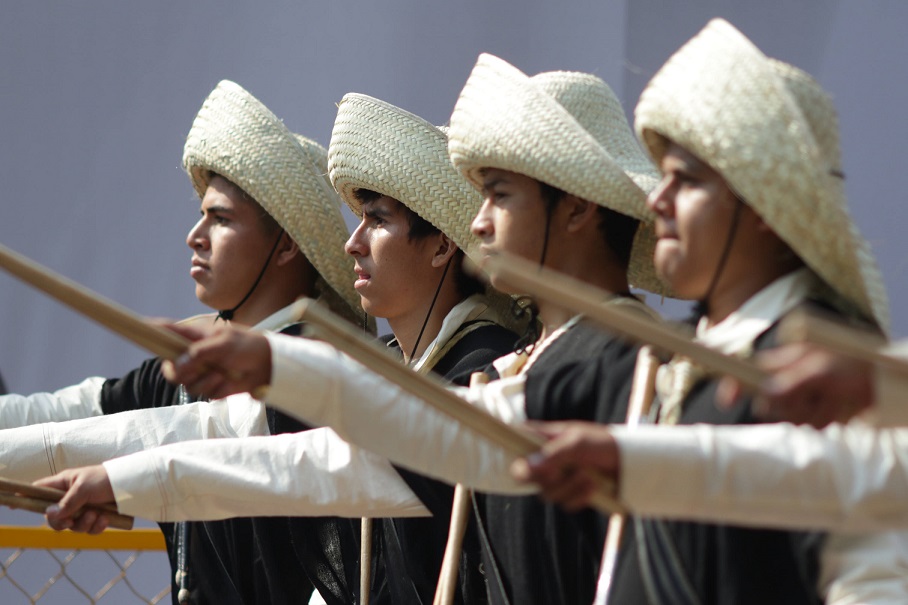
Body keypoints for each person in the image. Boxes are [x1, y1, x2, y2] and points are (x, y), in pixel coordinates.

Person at [83, 54, 664, 605]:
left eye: (499, 195)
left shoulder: (611, 360)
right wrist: (131, 477)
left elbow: (348, 460)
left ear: (578, 210)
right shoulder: (531, 361)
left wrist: (278, 371)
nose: (479, 220)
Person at [36, 93, 523, 604]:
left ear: (443, 245)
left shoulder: (483, 368)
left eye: (376, 220)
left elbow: (301, 464)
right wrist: (122, 479)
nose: (353, 242)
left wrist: (125, 479)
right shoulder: (383, 366)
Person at [514, 19, 903, 604]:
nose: (657, 201)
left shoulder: (822, 370)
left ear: (766, 205)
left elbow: (868, 573)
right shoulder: (663, 361)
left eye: (687, 181)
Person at [0, 80, 365, 604]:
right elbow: (55, 415)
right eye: (202, 215)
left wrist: (116, 479)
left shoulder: (315, 366)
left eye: (221, 219)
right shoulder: (178, 370)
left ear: (286, 244)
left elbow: (193, 438)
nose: (195, 235)